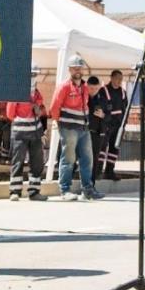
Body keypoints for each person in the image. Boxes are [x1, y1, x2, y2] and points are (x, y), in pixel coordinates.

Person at [49, 55, 105, 201]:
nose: (78, 70)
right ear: (69, 70)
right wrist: (57, 122)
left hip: (83, 128)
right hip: (68, 128)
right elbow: (54, 107)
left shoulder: (85, 87)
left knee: (88, 159)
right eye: (75, 68)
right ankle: (65, 190)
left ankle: (87, 190)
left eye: (80, 67)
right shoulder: (64, 87)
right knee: (68, 159)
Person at [7, 72, 48, 201]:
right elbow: (10, 114)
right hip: (20, 133)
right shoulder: (16, 92)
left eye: (35, 75)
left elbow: (41, 109)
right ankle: (15, 192)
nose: (33, 78)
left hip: (35, 133)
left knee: (37, 163)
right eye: (31, 75)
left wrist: (38, 109)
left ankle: (34, 192)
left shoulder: (36, 93)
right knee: (17, 162)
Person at [96, 70, 128, 181]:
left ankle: (109, 172)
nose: (119, 81)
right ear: (112, 78)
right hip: (105, 124)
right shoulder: (103, 91)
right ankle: (97, 172)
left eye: (121, 79)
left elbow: (126, 109)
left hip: (118, 126)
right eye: (117, 78)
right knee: (102, 148)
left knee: (114, 149)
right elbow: (98, 107)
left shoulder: (123, 93)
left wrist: (123, 125)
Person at [86, 76, 106, 182]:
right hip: (83, 132)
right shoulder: (83, 98)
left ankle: (91, 185)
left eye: (96, 89)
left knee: (94, 160)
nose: (93, 91)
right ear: (87, 87)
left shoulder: (102, 99)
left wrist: (103, 115)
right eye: (91, 88)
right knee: (81, 159)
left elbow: (109, 117)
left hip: (96, 134)